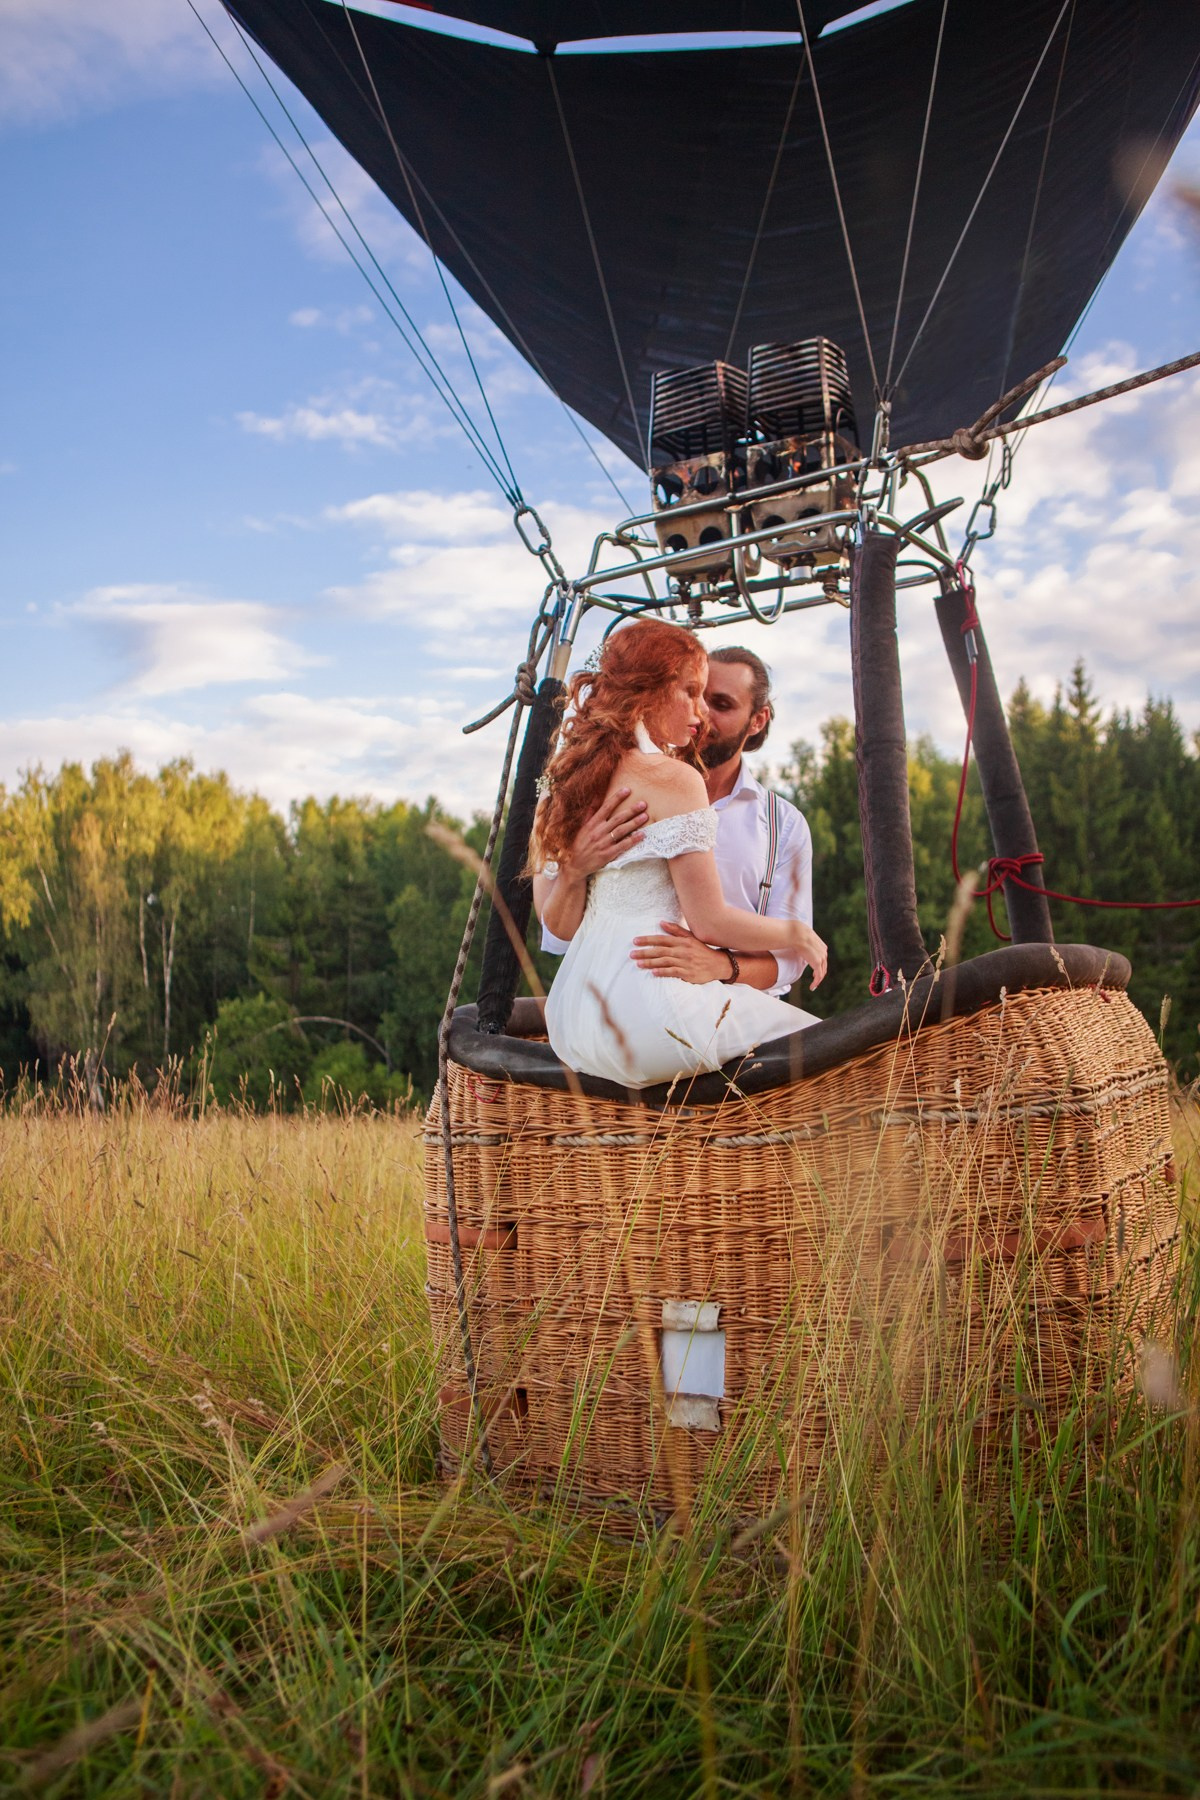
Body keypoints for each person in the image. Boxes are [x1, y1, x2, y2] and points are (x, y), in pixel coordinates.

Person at [528, 619, 827, 1088]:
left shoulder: (571, 777)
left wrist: (722, 967)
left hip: (574, 1020)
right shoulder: (677, 780)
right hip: (655, 1013)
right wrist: (798, 933)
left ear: (758, 719)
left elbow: (561, 930)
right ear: (650, 689)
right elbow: (708, 922)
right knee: (830, 1047)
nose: (700, 711)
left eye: (712, 698)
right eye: (690, 692)